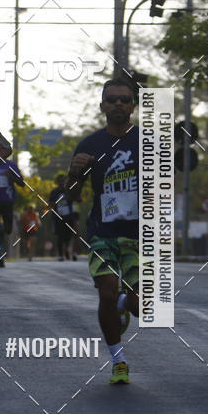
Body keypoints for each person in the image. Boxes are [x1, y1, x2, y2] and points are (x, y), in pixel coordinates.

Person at [65, 78, 139, 385]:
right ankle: (118, 361)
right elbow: (72, 195)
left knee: (142, 306)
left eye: (124, 99)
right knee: (106, 291)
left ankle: (124, 303)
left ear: (133, 105)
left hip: (140, 235)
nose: (118, 103)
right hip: (102, 232)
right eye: (112, 99)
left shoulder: (149, 143)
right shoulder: (89, 145)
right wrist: (75, 173)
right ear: (102, 106)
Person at [0, 140, 24, 267]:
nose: (0, 152)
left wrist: (12, 176)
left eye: (2, 150)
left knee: (7, 229)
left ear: (7, 152)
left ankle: (0, 244)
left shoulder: (11, 165)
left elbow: (22, 183)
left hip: (7, 201)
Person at [48, 174, 74, 261]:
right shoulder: (54, 192)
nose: (62, 182)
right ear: (57, 182)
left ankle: (66, 249)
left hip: (69, 216)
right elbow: (50, 204)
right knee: (60, 236)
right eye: (60, 180)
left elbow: (75, 199)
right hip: (58, 217)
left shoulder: (69, 190)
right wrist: (54, 203)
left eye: (63, 180)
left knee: (69, 235)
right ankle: (60, 255)